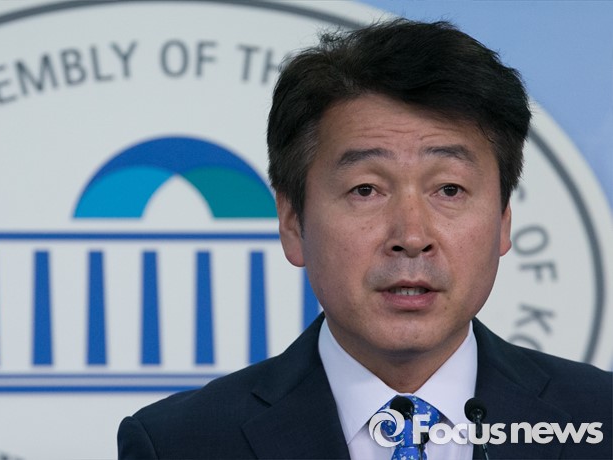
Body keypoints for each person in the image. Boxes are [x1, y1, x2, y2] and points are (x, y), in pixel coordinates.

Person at [117, 18, 612, 459]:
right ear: (292, 222)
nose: (412, 236)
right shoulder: (180, 443)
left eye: (449, 189)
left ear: (503, 220)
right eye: (366, 190)